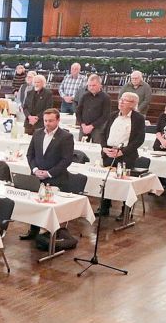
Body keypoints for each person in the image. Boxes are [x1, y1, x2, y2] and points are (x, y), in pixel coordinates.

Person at [21, 108, 74, 240]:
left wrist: (49, 173)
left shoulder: (66, 137)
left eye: (50, 121)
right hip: (37, 176)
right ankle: (33, 231)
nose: (47, 123)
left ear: (58, 120)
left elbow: (66, 160)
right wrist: (34, 170)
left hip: (55, 178)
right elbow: (30, 154)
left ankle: (52, 234)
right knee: (34, 205)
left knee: (51, 208)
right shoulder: (38, 133)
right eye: (45, 120)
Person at [98, 92, 146, 217]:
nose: (121, 102)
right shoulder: (113, 115)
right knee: (107, 181)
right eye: (121, 100)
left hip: (126, 155)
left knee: (125, 183)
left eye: (125, 100)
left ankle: (126, 210)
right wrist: (104, 147)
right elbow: (103, 134)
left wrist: (122, 152)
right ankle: (104, 207)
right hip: (109, 153)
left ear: (133, 104)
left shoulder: (138, 118)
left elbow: (139, 140)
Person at [75, 74, 111, 144]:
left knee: (97, 147)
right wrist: (82, 125)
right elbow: (78, 111)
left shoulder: (106, 98)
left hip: (98, 128)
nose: (91, 87)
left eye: (93, 85)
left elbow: (105, 115)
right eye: (89, 85)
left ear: (100, 85)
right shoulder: (84, 96)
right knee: (81, 146)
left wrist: (92, 126)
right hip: (84, 127)